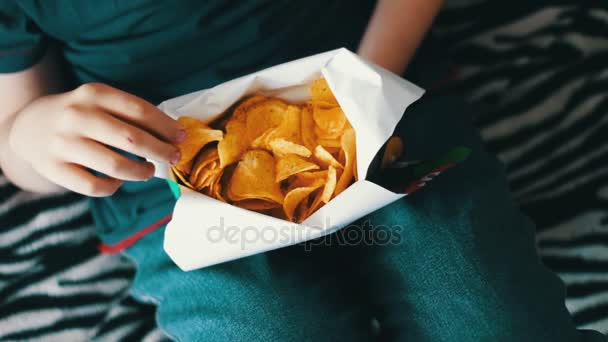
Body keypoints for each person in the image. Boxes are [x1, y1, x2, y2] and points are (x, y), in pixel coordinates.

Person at [0, 1, 603, 341]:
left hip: (390, 114)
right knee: (264, 326)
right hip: (172, 190)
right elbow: (15, 135)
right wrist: (36, 135)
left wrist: (363, 91)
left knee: (493, 318)